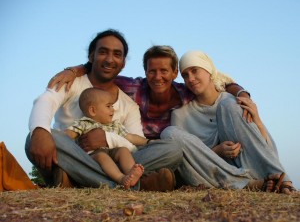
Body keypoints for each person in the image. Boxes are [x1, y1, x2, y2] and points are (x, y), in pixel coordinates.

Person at [49, 45, 284, 192]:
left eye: (165, 71)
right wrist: (73, 70)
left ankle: (85, 178)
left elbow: (221, 83)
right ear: (145, 73)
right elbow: (101, 71)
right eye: (152, 71)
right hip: (130, 155)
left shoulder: (186, 92)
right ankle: (137, 182)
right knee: (54, 139)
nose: (158, 77)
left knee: (171, 145)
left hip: (155, 154)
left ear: (174, 74)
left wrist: (241, 93)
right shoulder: (130, 87)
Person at [26, 29, 181, 191]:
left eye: (116, 54)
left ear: (123, 62)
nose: (109, 59)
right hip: (75, 155)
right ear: (91, 56)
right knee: (37, 134)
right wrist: (40, 131)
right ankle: (133, 185)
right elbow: (46, 100)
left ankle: (78, 180)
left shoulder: (129, 104)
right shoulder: (72, 82)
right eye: (103, 52)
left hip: (116, 159)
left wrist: (107, 139)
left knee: (172, 150)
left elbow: (136, 146)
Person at [162, 50, 296, 194]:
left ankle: (282, 180)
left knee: (229, 106)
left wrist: (257, 121)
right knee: (169, 133)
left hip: (250, 167)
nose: (191, 78)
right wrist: (217, 151)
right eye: (185, 75)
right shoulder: (180, 113)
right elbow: (185, 160)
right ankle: (248, 184)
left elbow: (264, 148)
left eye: (195, 71)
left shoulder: (231, 101)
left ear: (209, 71)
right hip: (213, 175)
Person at [65, 87, 149, 189]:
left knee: (123, 150)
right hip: (92, 156)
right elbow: (69, 134)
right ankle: (121, 178)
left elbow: (130, 137)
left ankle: (131, 173)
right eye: (108, 106)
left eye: (112, 106)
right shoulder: (84, 123)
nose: (113, 109)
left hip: (112, 153)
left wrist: (148, 141)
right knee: (102, 156)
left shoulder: (115, 125)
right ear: (92, 110)